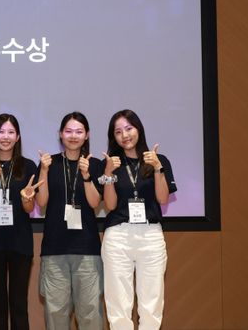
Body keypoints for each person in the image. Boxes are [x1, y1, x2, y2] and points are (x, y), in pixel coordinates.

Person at [100, 109, 177, 330]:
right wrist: (108, 174)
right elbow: (110, 205)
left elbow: (162, 198)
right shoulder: (111, 163)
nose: (124, 135)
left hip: (150, 235)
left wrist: (157, 169)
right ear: (113, 137)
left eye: (129, 128)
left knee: (151, 304)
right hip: (118, 236)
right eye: (118, 132)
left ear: (139, 129)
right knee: (118, 305)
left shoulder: (158, 160)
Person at [36, 112, 104, 330]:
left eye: (79, 131)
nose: (73, 136)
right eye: (68, 131)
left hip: (87, 250)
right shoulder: (49, 163)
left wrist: (86, 176)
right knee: (56, 314)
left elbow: (95, 202)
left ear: (87, 135)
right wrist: (43, 171)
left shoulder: (95, 165)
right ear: (60, 134)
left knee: (90, 314)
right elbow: (41, 202)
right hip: (54, 249)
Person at [0, 113, 42, 330]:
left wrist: (28, 199)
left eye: (11, 132)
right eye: (1, 132)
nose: (5, 137)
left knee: (19, 304)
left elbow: (29, 209)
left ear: (18, 137)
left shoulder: (28, 166)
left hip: (20, 242)